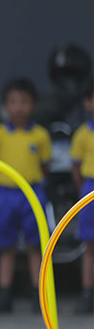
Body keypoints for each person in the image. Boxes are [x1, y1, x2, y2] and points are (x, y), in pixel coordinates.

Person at [0, 78, 50, 314]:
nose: (19, 107)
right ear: (5, 106)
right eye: (13, 102)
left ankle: (38, 294)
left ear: (33, 105)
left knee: (36, 246)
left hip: (32, 193)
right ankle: (4, 294)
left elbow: (44, 167)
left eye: (24, 102)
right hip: (3, 194)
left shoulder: (41, 136)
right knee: (6, 247)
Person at [70, 77, 94, 315]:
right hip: (90, 190)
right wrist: (83, 191)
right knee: (90, 245)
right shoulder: (82, 134)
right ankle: (87, 292)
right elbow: (75, 165)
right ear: (88, 103)